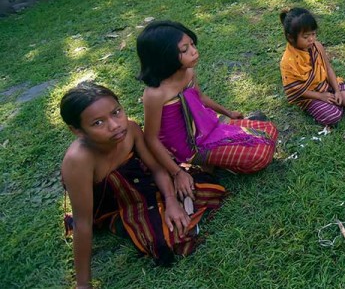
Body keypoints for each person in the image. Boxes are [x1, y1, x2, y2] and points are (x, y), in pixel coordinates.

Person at [60, 82, 226, 287]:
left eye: (116, 112)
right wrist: (83, 284)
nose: (114, 125)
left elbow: (156, 168)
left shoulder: (130, 129)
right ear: (77, 130)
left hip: (143, 181)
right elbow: (82, 223)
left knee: (198, 188)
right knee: (165, 239)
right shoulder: (78, 161)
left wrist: (172, 201)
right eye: (98, 123)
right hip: (117, 204)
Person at [137, 21, 278, 202]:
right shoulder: (155, 93)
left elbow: (201, 98)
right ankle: (201, 163)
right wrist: (177, 173)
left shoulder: (188, 72)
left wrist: (228, 113)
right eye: (185, 49)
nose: (194, 51)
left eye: (193, 45)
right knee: (260, 156)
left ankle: (212, 161)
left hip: (209, 124)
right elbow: (150, 138)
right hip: (189, 146)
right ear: (164, 56)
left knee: (269, 131)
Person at [280, 8, 345, 126]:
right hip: (309, 96)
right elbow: (296, 89)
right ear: (291, 38)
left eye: (313, 34)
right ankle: (327, 105)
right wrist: (320, 96)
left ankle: (332, 101)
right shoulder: (288, 61)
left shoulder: (317, 46)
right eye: (306, 36)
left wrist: (337, 91)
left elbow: (328, 69)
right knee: (333, 117)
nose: (311, 39)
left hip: (325, 85)